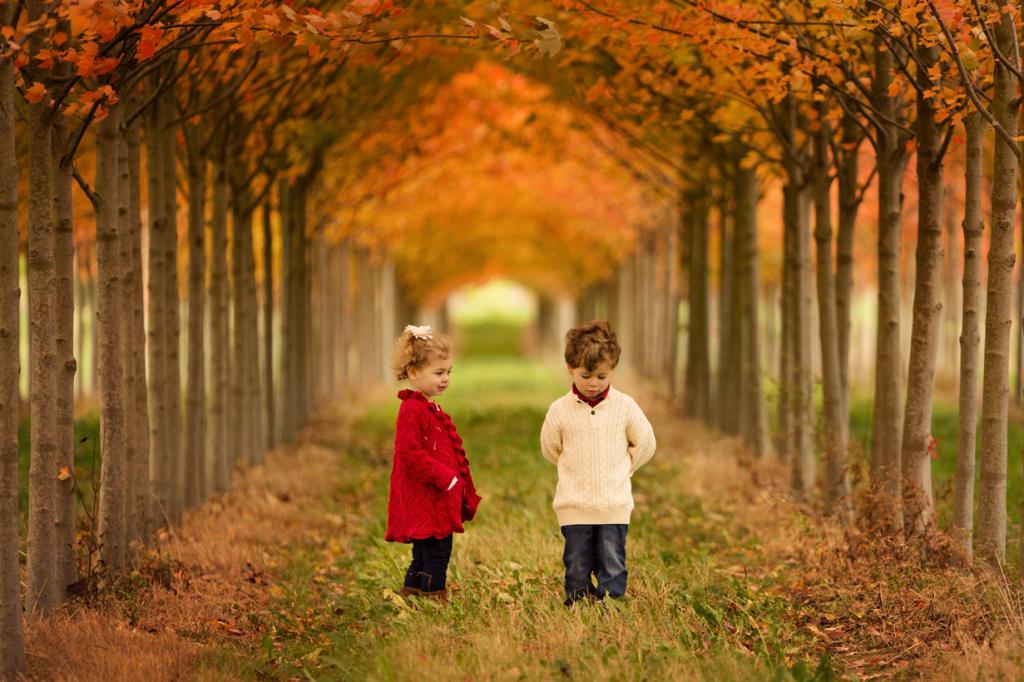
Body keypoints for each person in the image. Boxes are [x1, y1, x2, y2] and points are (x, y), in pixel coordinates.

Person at [540, 320, 656, 605]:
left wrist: (623, 467)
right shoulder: (559, 410)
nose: (594, 383)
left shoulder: (625, 407)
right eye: (586, 375)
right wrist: (575, 466)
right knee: (577, 564)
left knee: (612, 561)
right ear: (570, 368)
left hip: (613, 505)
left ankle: (612, 605)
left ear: (612, 369)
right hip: (574, 505)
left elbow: (645, 443)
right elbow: (550, 449)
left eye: (602, 377)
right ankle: (579, 603)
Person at [384, 324, 481, 603]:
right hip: (427, 499)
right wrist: (446, 477)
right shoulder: (412, 410)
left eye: (449, 372)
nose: (445, 379)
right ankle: (432, 600)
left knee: (425, 552)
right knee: (436, 552)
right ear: (413, 373)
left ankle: (413, 595)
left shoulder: (428, 406)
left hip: (434, 498)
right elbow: (409, 453)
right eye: (438, 373)